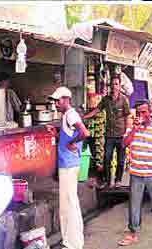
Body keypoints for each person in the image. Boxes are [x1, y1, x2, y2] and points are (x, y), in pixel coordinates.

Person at [118, 100, 152, 249]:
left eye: (144, 112)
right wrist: (135, 129)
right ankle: (133, 232)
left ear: (150, 112)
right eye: (138, 112)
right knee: (134, 204)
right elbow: (124, 144)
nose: (141, 115)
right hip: (136, 173)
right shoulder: (133, 128)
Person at [48, 87, 89, 249]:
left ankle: (73, 244)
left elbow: (84, 133)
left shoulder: (71, 114)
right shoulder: (66, 115)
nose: (56, 104)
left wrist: (72, 142)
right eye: (55, 101)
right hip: (68, 163)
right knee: (68, 204)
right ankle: (71, 241)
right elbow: (70, 134)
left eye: (58, 101)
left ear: (66, 99)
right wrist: (58, 135)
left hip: (69, 165)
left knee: (69, 204)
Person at [83, 75, 130, 187]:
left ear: (119, 86)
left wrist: (127, 131)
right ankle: (108, 181)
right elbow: (97, 109)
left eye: (116, 84)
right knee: (107, 158)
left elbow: (127, 115)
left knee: (121, 160)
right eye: (112, 84)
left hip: (121, 135)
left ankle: (118, 180)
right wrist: (85, 117)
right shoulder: (106, 99)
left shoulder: (124, 100)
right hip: (109, 135)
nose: (114, 86)